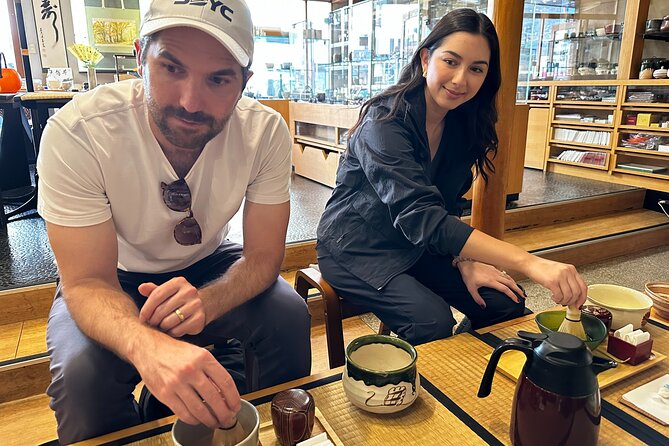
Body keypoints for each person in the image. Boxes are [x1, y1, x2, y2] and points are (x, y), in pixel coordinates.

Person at [37, 0, 311, 443]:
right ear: (141, 57)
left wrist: (209, 302)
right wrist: (150, 347)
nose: (190, 102)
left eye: (219, 78)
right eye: (172, 68)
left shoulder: (264, 132)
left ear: (245, 82)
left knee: (288, 316)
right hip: (114, 277)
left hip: (211, 263)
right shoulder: (79, 132)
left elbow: (262, 257)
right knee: (82, 376)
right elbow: (86, 281)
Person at [316, 8, 588, 346]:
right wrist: (531, 263)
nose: (461, 79)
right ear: (426, 59)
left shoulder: (463, 122)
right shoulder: (384, 122)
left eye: (476, 69)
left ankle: (470, 376)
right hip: (356, 247)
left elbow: (446, 206)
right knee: (430, 320)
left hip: (417, 246)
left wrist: (464, 259)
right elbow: (424, 217)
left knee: (506, 302)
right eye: (451, 61)